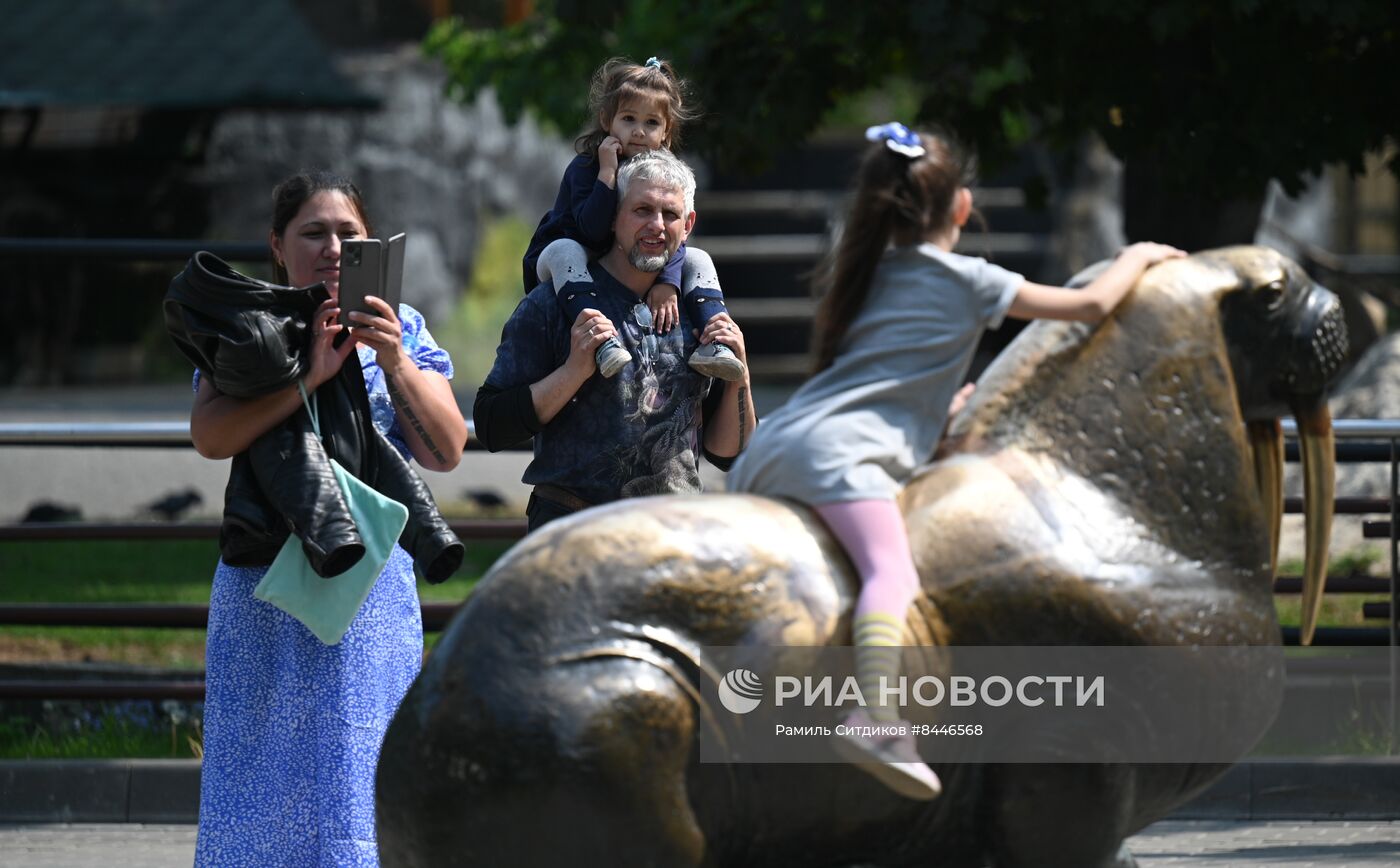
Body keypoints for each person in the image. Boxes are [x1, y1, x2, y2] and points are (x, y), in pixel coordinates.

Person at [725, 123, 1184, 801]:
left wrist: (938, 414)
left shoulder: (866, 272)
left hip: (778, 441)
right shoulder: (971, 279)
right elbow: (1087, 306)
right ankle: (877, 717)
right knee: (892, 574)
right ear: (961, 209)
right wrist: (1139, 257)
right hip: (841, 457)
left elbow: (885, 374)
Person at [189, 171, 467, 866]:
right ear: (277, 245)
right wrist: (307, 377)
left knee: (362, 776)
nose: (334, 248)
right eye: (314, 233)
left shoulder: (403, 327)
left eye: (350, 234)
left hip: (367, 592)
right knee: (259, 783)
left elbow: (447, 451)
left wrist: (394, 358)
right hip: (265, 590)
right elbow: (212, 436)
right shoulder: (246, 323)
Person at [478, 148, 756, 532]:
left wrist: (739, 377)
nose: (657, 225)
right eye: (642, 210)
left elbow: (728, 454)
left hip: (676, 534)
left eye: (670, 214)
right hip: (573, 530)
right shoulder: (555, 303)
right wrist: (574, 371)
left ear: (688, 224)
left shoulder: (701, 310)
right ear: (612, 216)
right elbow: (491, 425)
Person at [521, 55, 746, 382]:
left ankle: (716, 342)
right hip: (569, 257)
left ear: (666, 132)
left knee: (697, 258)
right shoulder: (586, 167)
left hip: (628, 260)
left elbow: (675, 235)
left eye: (651, 123)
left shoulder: (666, 176)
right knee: (565, 249)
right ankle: (601, 341)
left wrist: (669, 281)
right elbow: (593, 231)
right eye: (628, 119)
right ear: (606, 120)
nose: (639, 132)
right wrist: (608, 174)